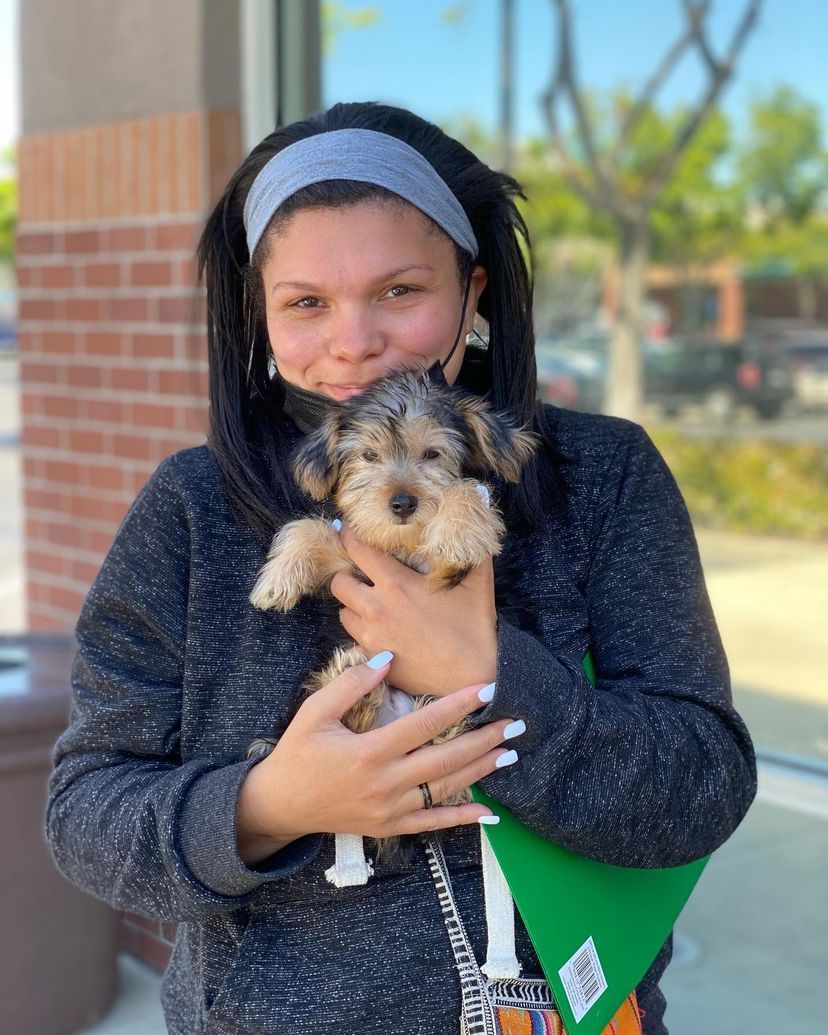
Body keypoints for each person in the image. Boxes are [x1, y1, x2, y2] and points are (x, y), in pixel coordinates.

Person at [44, 101, 757, 1035]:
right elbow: (85, 810)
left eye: (398, 292)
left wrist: (493, 676)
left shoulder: (603, 476)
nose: (353, 342)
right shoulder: (190, 508)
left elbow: (700, 784)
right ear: (260, 316)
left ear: (475, 290)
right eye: (306, 302)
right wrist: (267, 805)